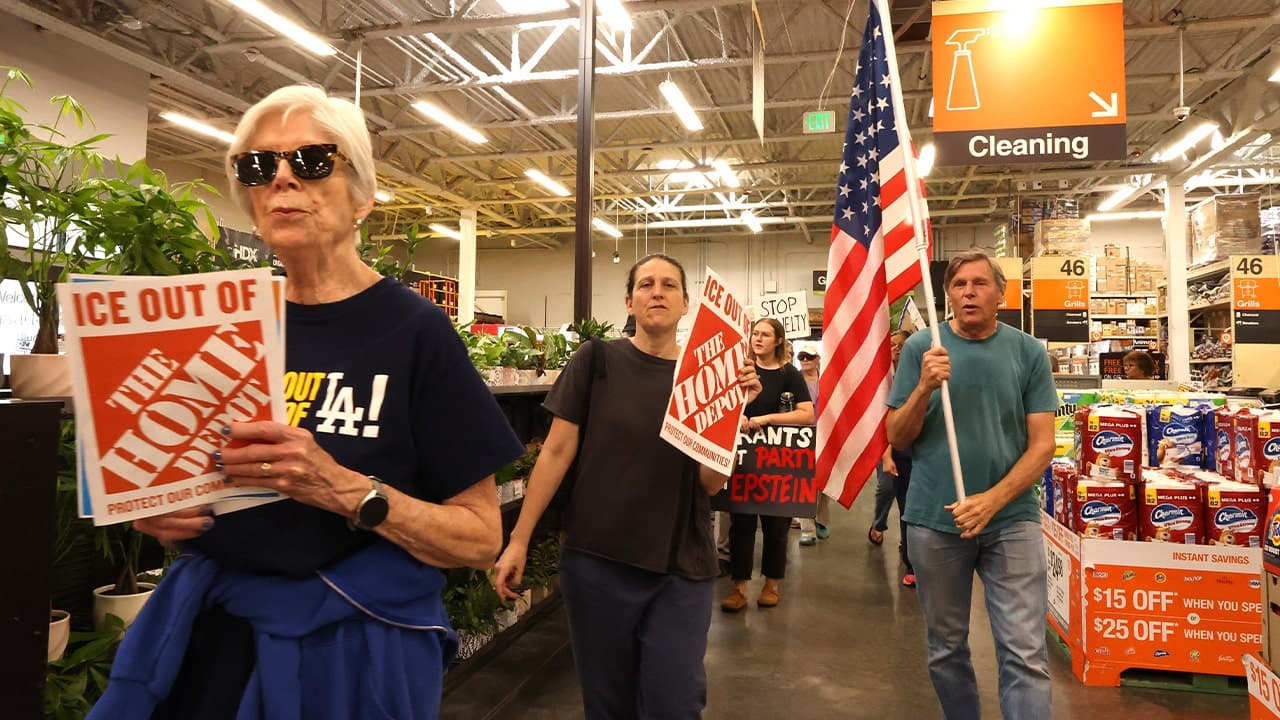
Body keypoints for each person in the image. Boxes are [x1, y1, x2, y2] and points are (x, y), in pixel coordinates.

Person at [89, 85, 524, 720]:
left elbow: (481, 538)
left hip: (354, 648)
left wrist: (343, 489)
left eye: (314, 161)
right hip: (211, 640)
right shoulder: (218, 322)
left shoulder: (415, 332)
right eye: (259, 167)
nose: (283, 179)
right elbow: (176, 478)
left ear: (363, 198)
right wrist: (153, 507)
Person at [492, 253, 760, 720]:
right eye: (646, 285)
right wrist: (518, 539)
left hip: (680, 565)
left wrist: (731, 415)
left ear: (685, 304)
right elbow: (555, 453)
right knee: (607, 703)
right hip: (598, 562)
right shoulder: (596, 361)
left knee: (674, 703)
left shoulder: (707, 379)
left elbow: (710, 482)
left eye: (669, 285)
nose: (657, 292)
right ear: (629, 303)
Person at [886, 251, 1058, 720]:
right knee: (945, 649)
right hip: (932, 521)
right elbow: (897, 436)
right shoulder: (924, 347)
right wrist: (922, 387)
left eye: (980, 283)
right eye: (959, 284)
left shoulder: (1028, 352)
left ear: (1001, 294)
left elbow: (1043, 445)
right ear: (948, 295)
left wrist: (992, 500)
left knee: (1025, 652)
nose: (968, 292)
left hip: (1012, 521)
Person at [722, 318, 815, 612]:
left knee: (776, 525)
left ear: (778, 341)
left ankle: (772, 584)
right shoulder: (741, 371)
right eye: (755, 333)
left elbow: (806, 414)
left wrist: (765, 419)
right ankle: (739, 587)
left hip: (779, 463)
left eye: (765, 334)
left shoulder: (790, 375)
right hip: (744, 462)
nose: (757, 338)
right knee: (741, 524)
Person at [868, 329, 917, 587]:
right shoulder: (885, 380)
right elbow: (883, 421)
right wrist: (887, 454)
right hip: (894, 449)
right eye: (894, 345)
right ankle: (880, 526)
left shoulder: (919, 376)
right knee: (893, 493)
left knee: (911, 506)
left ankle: (911, 553)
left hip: (919, 451)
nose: (897, 349)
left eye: (902, 345)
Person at [796, 347, 831, 545]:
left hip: (825, 435)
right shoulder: (794, 379)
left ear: (818, 358)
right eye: (802, 356)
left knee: (824, 480)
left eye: (809, 356)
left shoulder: (827, 380)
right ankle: (807, 527)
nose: (806, 359)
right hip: (802, 435)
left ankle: (822, 519)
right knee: (804, 480)